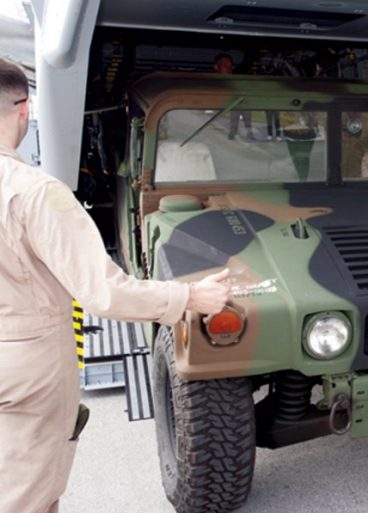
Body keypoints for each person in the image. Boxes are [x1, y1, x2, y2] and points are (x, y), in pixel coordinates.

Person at [0, 58, 231, 513]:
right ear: (25, 109)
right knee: (25, 495)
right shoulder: (35, 193)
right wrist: (189, 296)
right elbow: (102, 292)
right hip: (27, 361)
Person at [212, 53, 257, 141]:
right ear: (216, 67)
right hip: (222, 113)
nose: (228, 67)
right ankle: (233, 133)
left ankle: (249, 133)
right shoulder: (209, 84)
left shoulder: (241, 80)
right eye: (224, 65)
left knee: (246, 116)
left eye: (230, 65)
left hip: (240, 104)